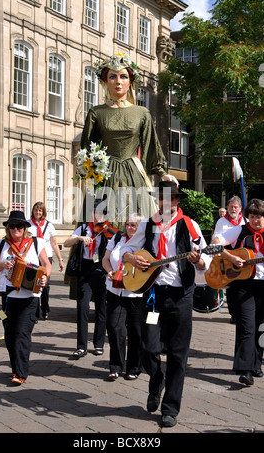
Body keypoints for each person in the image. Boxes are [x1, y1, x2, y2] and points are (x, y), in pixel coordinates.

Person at [121, 181, 211, 428]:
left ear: (177, 201)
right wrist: (132, 258)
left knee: (178, 353)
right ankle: (156, 380)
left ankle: (170, 408)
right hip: (153, 296)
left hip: (181, 296)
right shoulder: (148, 225)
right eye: (161, 198)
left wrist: (199, 262)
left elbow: (207, 261)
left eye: (169, 198)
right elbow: (125, 249)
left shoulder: (189, 225)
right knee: (148, 346)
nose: (165, 202)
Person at [80, 52, 178, 225]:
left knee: (139, 222)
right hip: (106, 174)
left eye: (123, 76)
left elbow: (151, 144)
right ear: (105, 81)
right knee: (101, 224)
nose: (118, 82)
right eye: (112, 77)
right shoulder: (96, 112)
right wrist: (89, 189)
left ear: (130, 81)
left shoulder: (142, 113)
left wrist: (162, 173)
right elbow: (88, 149)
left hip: (134, 173)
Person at [0, 210, 52, 385]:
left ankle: (20, 373)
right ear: (8, 228)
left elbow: (46, 264)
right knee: (9, 335)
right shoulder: (2, 244)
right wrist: (2, 264)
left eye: (19, 226)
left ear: (25, 228)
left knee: (21, 333)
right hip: (8, 298)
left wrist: (44, 277)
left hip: (30, 298)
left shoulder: (36, 242)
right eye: (12, 226)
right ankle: (16, 368)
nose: (15, 229)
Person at [212, 198, 264, 386]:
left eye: (258, 217)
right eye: (251, 217)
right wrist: (231, 256)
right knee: (247, 326)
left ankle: (257, 364)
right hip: (243, 284)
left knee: (261, 327)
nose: (254, 221)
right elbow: (215, 244)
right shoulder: (240, 231)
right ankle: (245, 369)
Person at [64, 200, 109, 358]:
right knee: (83, 308)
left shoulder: (109, 231)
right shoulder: (83, 229)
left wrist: (107, 236)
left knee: (101, 310)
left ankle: (98, 344)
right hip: (86, 271)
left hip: (102, 272)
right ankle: (81, 346)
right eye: (96, 213)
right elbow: (66, 243)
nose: (99, 216)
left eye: (102, 213)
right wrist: (79, 239)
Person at [102, 213, 143, 381]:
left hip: (135, 292)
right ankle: (116, 365)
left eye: (133, 225)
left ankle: (133, 367)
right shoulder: (118, 237)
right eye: (127, 224)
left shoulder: (144, 242)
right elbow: (105, 258)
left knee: (136, 331)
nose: (129, 228)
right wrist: (109, 271)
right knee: (114, 327)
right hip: (114, 289)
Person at [28, 202, 64, 319]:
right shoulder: (27, 224)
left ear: (43, 212)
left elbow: (54, 243)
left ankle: (45, 308)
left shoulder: (49, 225)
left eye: (40, 210)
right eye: (36, 210)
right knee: (34, 283)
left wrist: (60, 259)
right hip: (33, 257)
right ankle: (36, 310)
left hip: (46, 257)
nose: (37, 212)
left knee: (46, 285)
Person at [213, 196, 247, 323]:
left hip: (242, 258)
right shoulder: (221, 221)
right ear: (227, 207)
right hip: (226, 257)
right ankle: (234, 314)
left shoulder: (246, 221)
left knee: (242, 285)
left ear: (240, 208)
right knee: (231, 287)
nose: (233, 209)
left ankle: (241, 313)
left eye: (236, 207)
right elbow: (216, 240)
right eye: (231, 206)